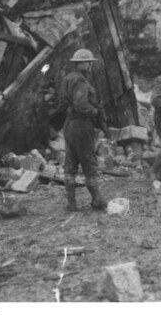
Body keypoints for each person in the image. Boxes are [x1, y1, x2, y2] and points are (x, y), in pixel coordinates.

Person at [60, 48, 107, 212]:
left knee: (70, 164)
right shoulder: (80, 81)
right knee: (89, 162)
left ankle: (71, 203)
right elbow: (80, 105)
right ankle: (98, 200)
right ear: (83, 63)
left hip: (69, 125)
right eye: (89, 63)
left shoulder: (68, 78)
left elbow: (65, 101)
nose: (90, 66)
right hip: (81, 125)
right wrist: (95, 112)